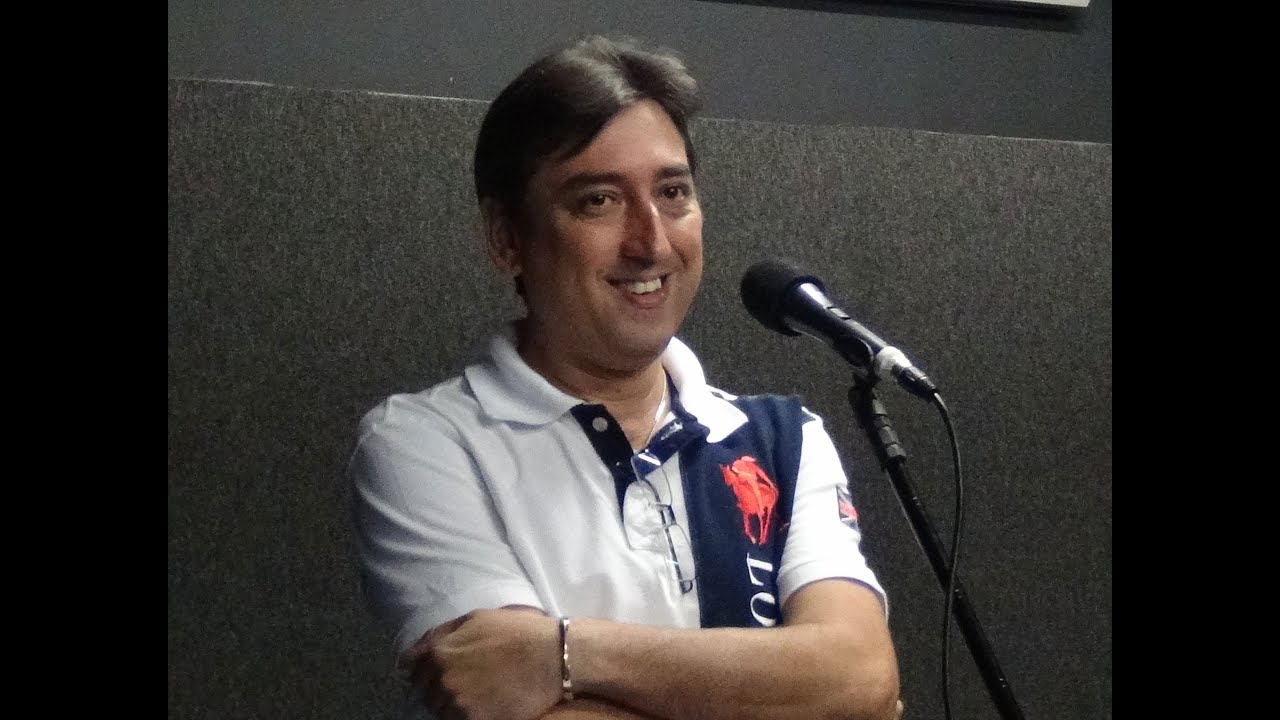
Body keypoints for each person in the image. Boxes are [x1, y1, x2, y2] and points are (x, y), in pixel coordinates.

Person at [350, 35, 902, 720]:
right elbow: (497, 694)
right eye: (598, 201)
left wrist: (565, 654)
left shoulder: (784, 440)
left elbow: (860, 675)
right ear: (507, 239)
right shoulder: (426, 444)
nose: (651, 241)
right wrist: (792, 692)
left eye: (673, 193)